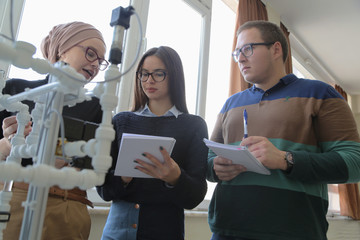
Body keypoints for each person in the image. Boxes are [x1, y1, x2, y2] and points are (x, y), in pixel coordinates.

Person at [207, 20, 360, 240]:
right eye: (237, 52)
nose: (240, 58)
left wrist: (285, 159)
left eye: (247, 49)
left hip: (295, 232)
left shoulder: (321, 94)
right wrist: (215, 168)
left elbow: (354, 164)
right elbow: (209, 158)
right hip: (226, 230)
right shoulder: (230, 103)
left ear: (276, 49)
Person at [0, 21, 108, 239]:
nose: (96, 64)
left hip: (67, 207)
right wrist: (10, 144)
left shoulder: (96, 106)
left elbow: (96, 165)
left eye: (100, 60)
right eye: (90, 53)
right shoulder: (16, 89)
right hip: (13, 201)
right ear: (62, 49)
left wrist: (66, 158)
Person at [96, 46, 209, 240]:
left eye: (158, 74)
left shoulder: (194, 126)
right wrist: (122, 178)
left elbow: (195, 196)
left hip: (165, 231)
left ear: (174, 76)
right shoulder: (121, 121)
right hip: (117, 232)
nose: (149, 80)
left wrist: (176, 178)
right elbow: (103, 189)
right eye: (144, 74)